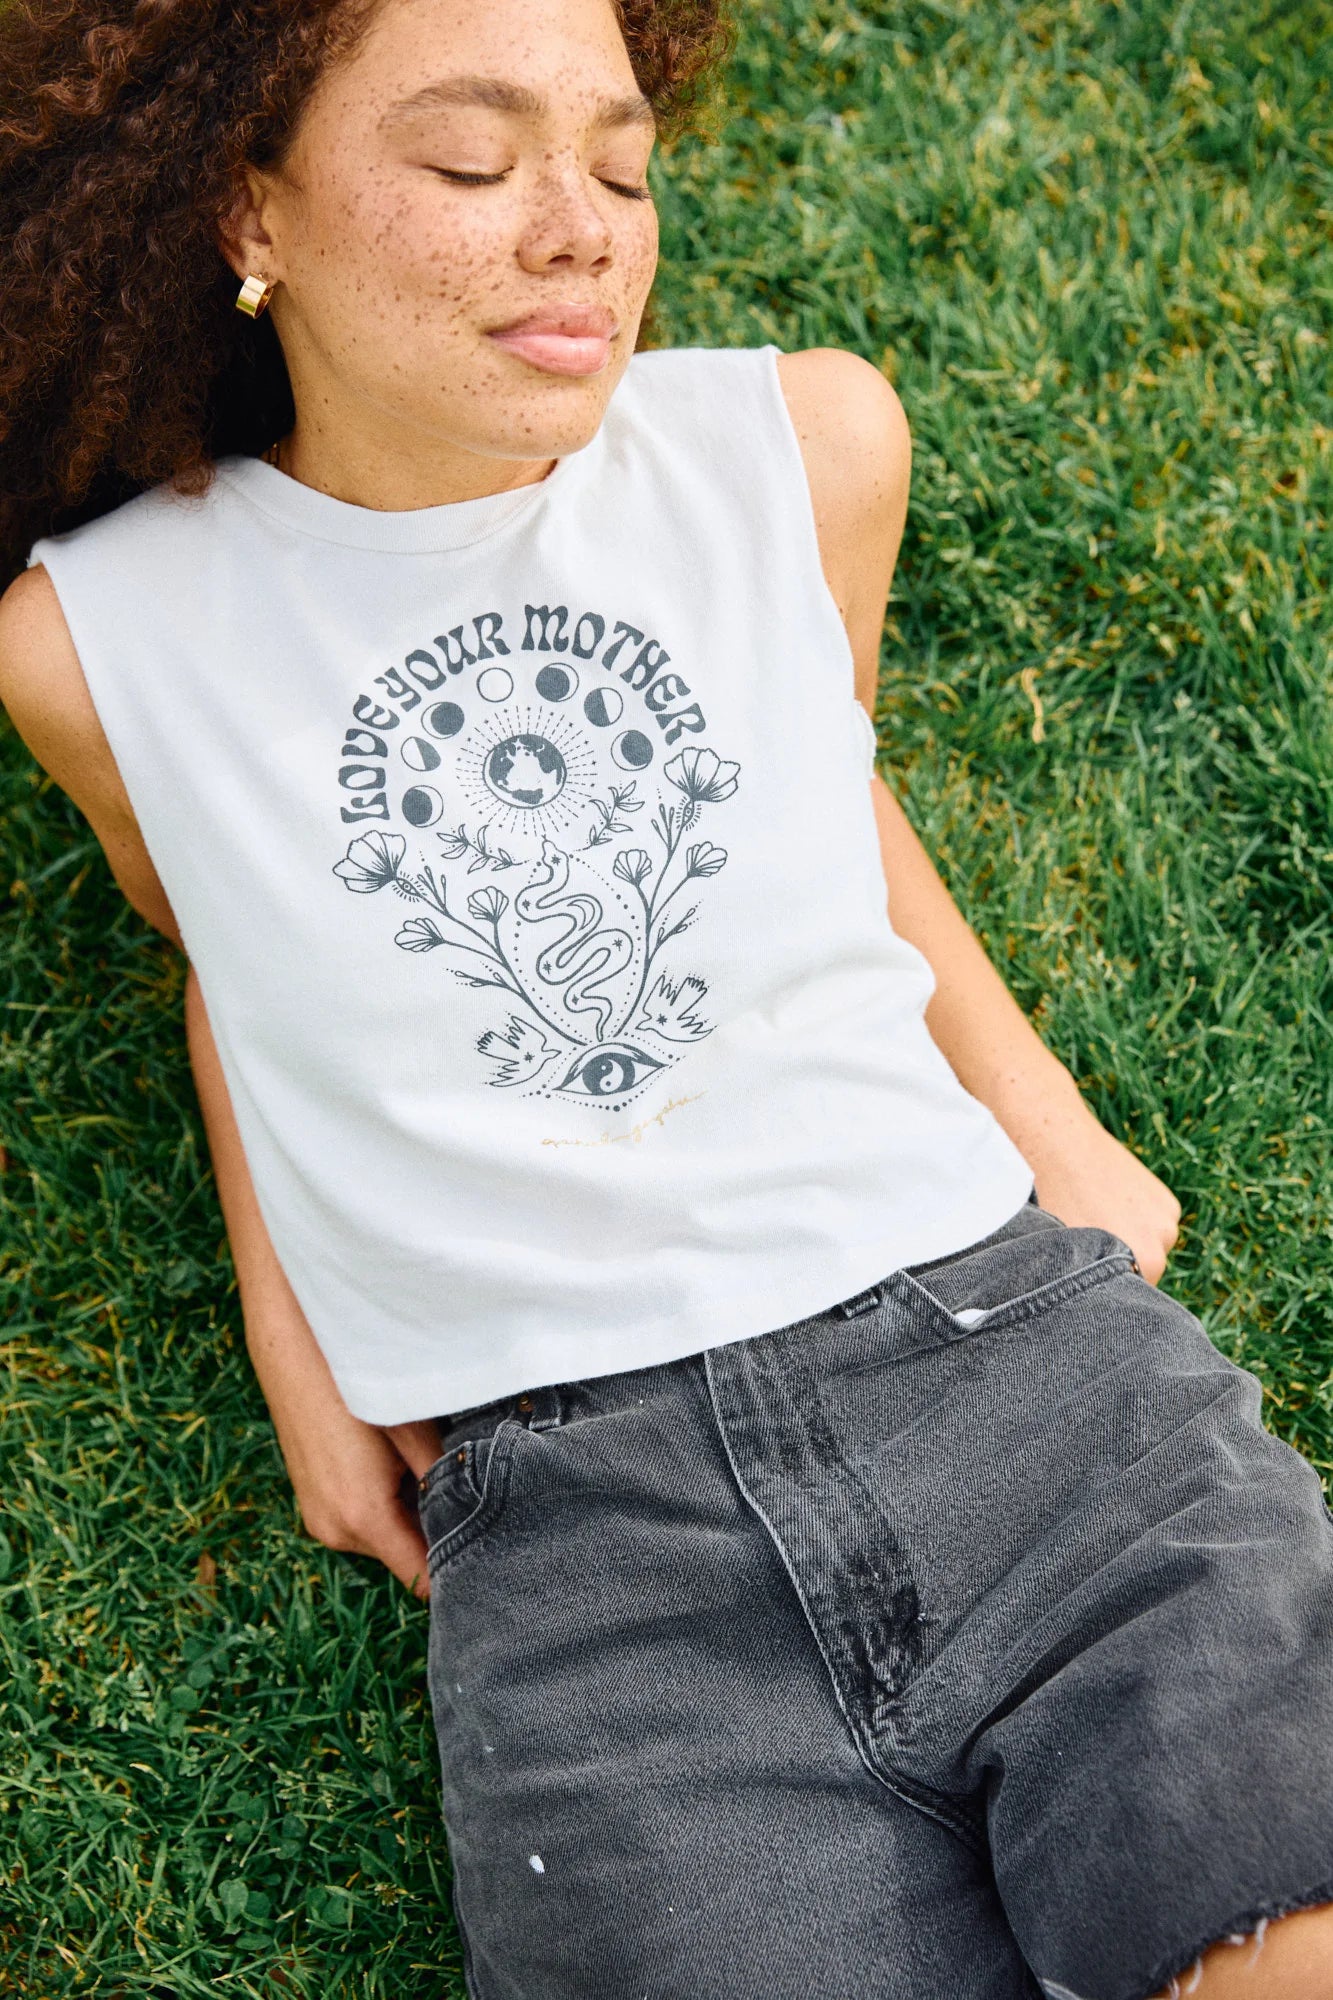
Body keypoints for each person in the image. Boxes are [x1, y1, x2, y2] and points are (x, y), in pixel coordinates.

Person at [1, 0, 1331, 1994]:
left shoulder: (794, 448)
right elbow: (235, 947)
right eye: (472, 163)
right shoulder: (96, 642)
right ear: (245, 206)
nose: (580, 228)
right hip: (590, 1563)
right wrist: (296, 1329)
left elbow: (829, 783)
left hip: (1022, 1390)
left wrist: (1048, 1120)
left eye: (619, 165)